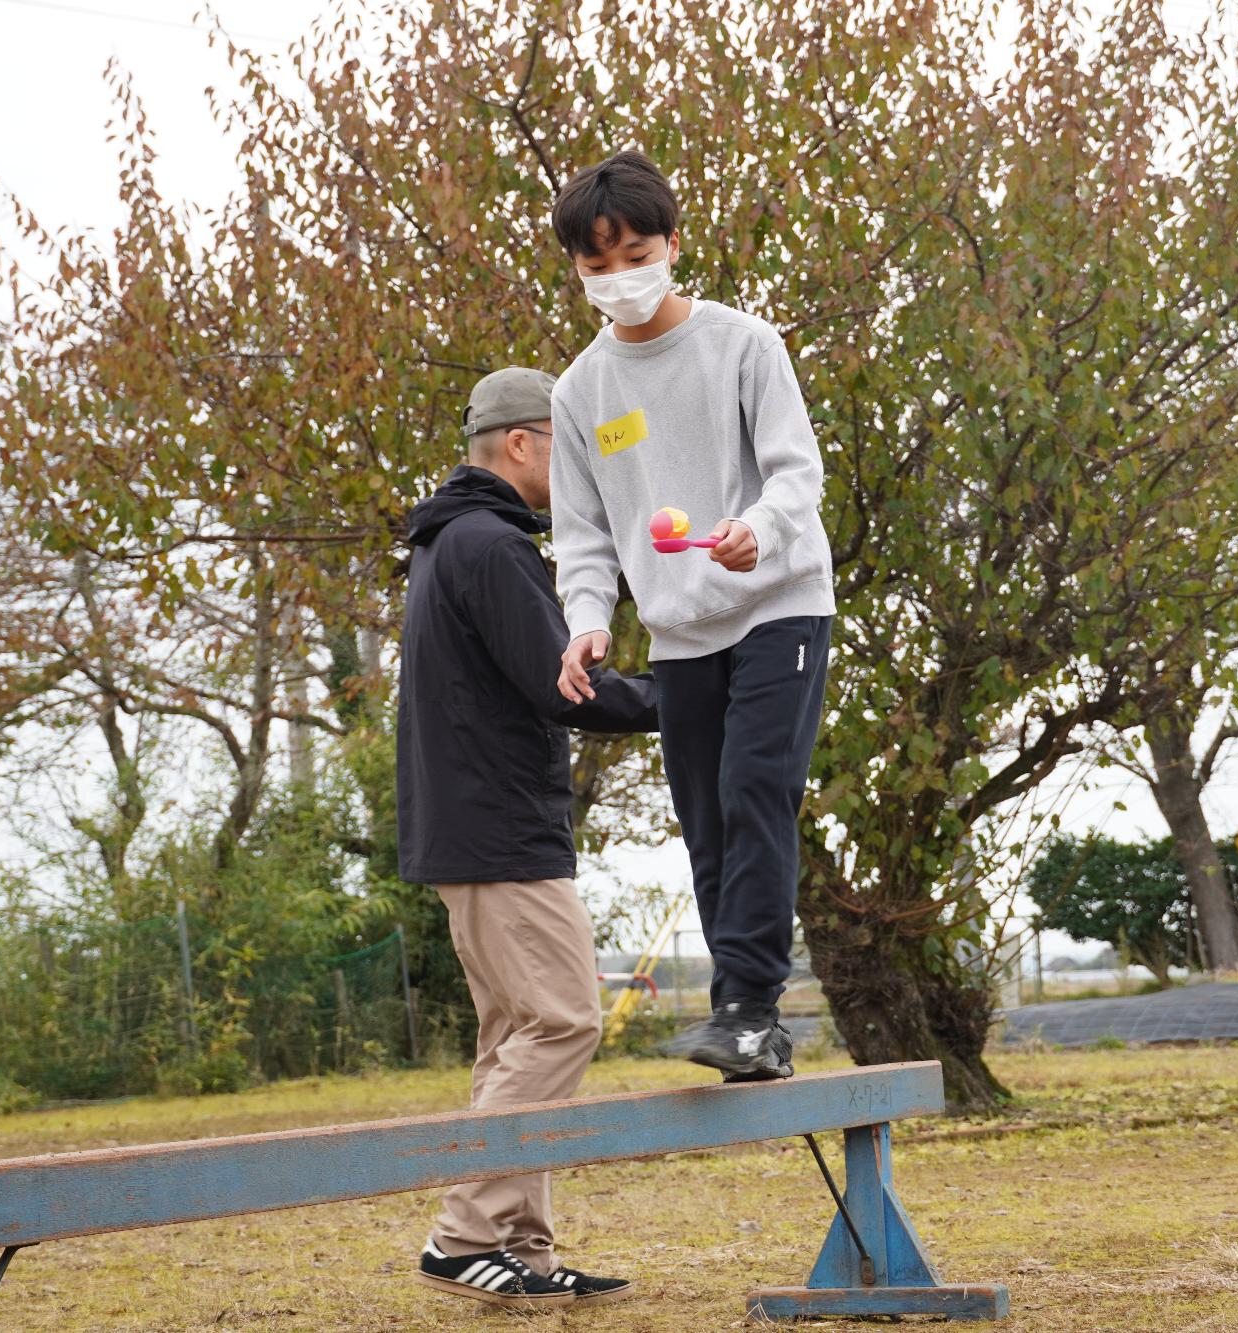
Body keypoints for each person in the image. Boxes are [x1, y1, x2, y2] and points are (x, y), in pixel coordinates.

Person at [546, 150, 835, 1084]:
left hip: (777, 605)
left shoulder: (742, 345)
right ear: (578, 272)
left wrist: (758, 528)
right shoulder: (579, 392)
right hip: (680, 633)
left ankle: (750, 1007)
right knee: (707, 818)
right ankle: (744, 1021)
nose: (622, 278)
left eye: (636, 253)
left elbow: (797, 471)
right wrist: (587, 618)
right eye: (599, 266)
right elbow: (582, 532)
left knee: (756, 786)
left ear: (672, 243)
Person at [397, 365, 656, 1310]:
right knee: (564, 1020)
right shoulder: (490, 546)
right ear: (520, 444)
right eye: (566, 441)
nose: (578, 460)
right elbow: (563, 684)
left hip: (465, 828)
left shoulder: (445, 543)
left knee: (515, 1034)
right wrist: (685, 702)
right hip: (501, 831)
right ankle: (465, 1234)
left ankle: (521, 1250)